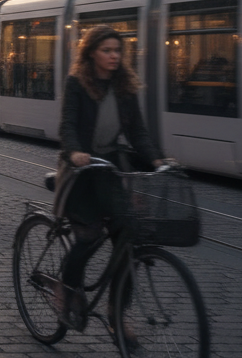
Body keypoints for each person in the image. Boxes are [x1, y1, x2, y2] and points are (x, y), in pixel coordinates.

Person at [55, 25, 167, 332]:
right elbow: (67, 125)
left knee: (127, 239)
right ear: (92, 53)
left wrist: (157, 159)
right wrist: (76, 151)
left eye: (117, 50)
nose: (114, 56)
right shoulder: (77, 83)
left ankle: (117, 310)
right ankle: (65, 292)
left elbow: (138, 132)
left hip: (109, 170)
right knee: (88, 238)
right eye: (107, 50)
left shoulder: (124, 86)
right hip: (81, 172)